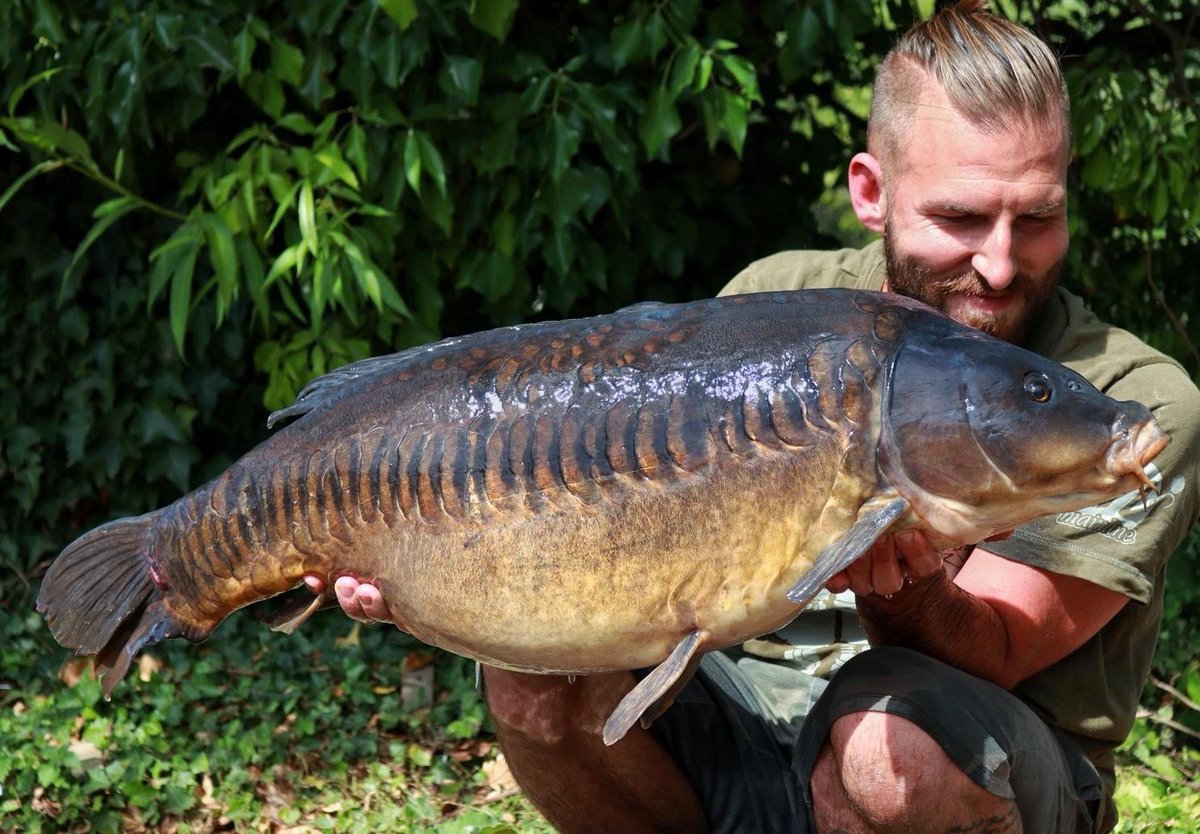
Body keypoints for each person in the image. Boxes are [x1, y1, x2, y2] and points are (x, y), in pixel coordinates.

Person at [311, 2, 1200, 831]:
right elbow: (618, 536)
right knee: (532, 681)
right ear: (871, 191)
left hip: (978, 765)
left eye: (1036, 218)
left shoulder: (1124, 401)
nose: (1000, 265)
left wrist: (909, 576)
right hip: (740, 716)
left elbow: (1000, 649)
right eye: (961, 218)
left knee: (884, 747)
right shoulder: (779, 304)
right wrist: (423, 556)